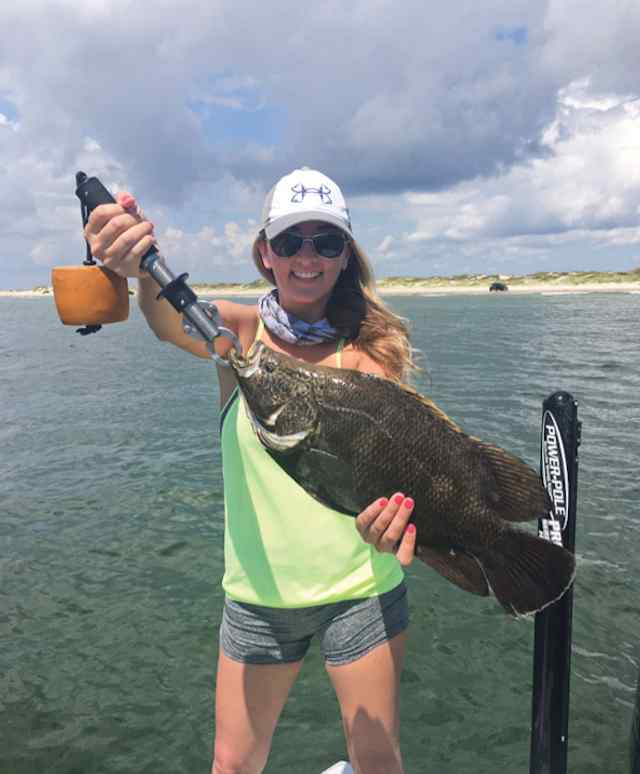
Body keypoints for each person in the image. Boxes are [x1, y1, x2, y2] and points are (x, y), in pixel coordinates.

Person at [85, 167, 418, 774]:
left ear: (347, 255)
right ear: (265, 254)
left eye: (326, 241)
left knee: (377, 758)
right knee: (232, 765)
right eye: (290, 241)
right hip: (257, 599)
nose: (307, 257)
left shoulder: (372, 358)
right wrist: (133, 261)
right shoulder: (236, 336)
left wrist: (394, 524)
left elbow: (395, 482)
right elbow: (166, 317)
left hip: (362, 592)